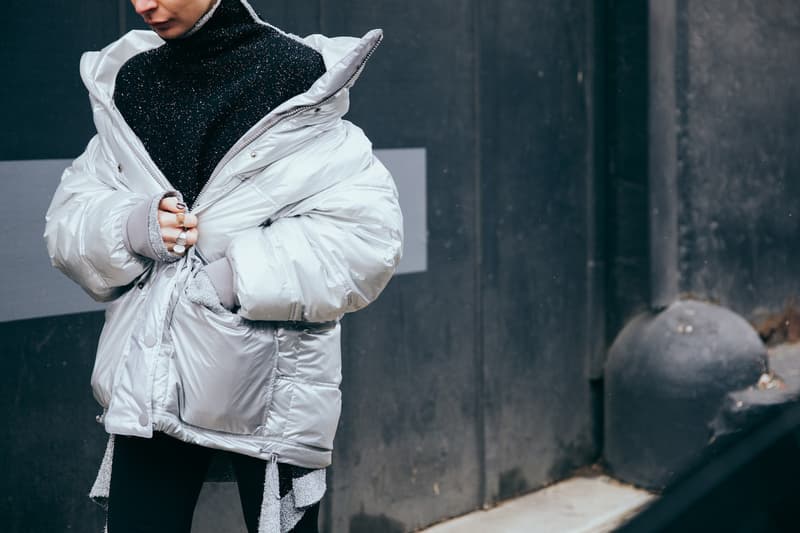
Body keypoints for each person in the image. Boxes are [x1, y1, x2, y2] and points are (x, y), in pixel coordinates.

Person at [44, 0, 403, 531]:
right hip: (151, 379)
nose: (144, 4)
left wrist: (235, 277)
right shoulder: (131, 84)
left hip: (274, 388)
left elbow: (366, 236)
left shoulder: (296, 76)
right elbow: (68, 219)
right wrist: (132, 227)